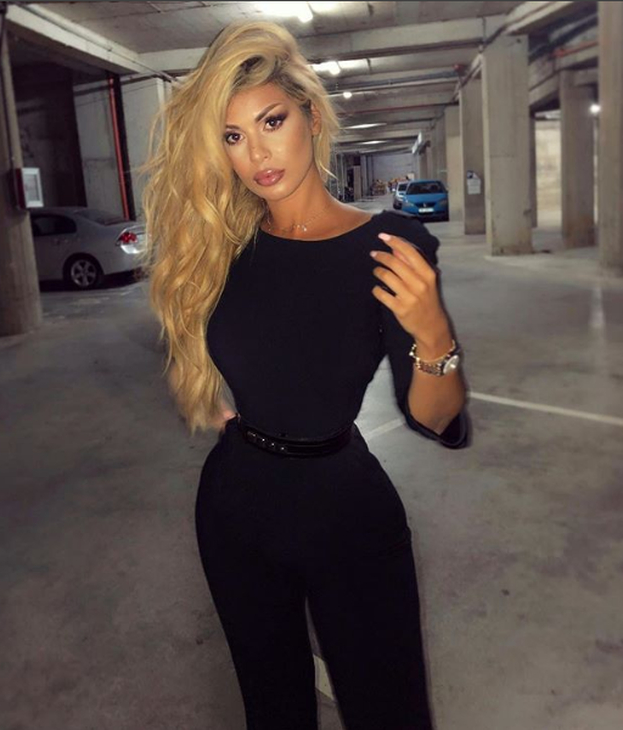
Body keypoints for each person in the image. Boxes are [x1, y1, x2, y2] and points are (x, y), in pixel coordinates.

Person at [142, 20, 470, 730]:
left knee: (390, 711)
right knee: (274, 711)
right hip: (234, 507)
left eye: (272, 122)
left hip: (344, 512)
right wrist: (224, 402)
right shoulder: (226, 246)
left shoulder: (390, 243)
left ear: (312, 118)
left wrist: (434, 334)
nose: (256, 153)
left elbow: (435, 417)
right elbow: (207, 355)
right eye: (232, 136)